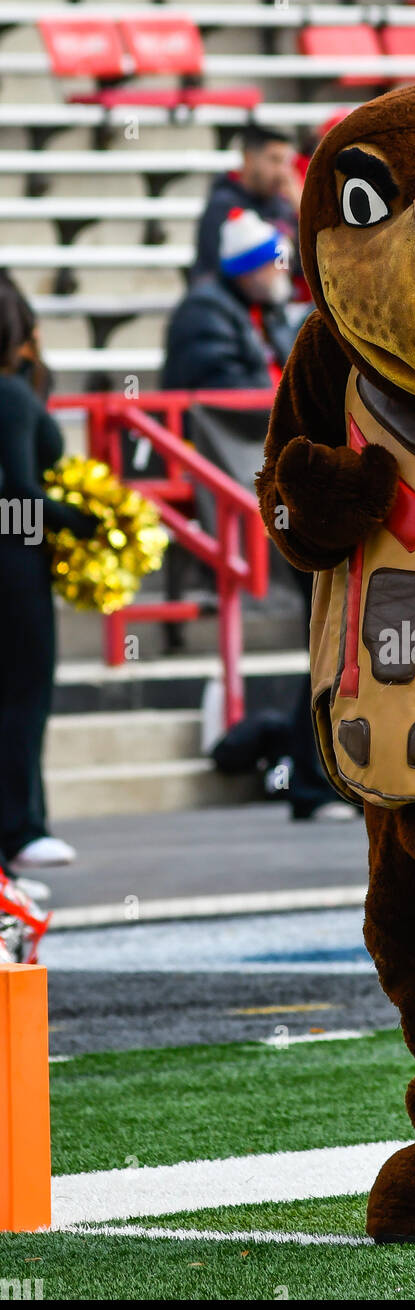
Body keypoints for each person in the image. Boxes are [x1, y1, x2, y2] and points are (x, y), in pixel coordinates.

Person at [0, 280, 97, 875]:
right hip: (13, 563)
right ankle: (21, 830)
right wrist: (88, 520)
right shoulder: (9, 395)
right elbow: (17, 493)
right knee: (24, 697)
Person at [163, 209, 298, 391]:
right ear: (250, 272)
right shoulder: (204, 311)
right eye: (275, 263)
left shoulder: (267, 307)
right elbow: (227, 391)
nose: (284, 271)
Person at [192, 124, 301, 283]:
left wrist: (302, 212)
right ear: (248, 159)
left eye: (286, 162)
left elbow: (300, 268)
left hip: (275, 302)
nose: (282, 172)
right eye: (274, 160)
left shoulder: (282, 206)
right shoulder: (223, 206)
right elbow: (218, 272)